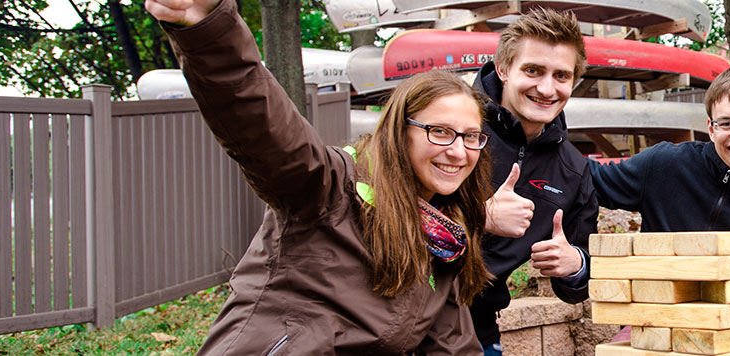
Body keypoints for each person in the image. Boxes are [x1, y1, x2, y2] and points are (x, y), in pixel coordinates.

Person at [145, 0, 496, 353]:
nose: (458, 150)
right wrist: (208, 27)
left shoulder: (445, 240)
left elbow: (453, 347)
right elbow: (261, 124)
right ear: (398, 132)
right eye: (439, 131)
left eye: (470, 136)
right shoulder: (330, 188)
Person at [589, 67, 730, 326]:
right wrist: (542, 133)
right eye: (726, 123)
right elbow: (588, 180)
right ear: (711, 128)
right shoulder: (664, 166)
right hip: (652, 333)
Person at [469, 8, 599, 355]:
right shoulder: (453, 123)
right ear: (503, 69)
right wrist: (477, 217)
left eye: (561, 75)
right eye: (533, 70)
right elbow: (389, 208)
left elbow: (579, 283)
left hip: (480, 336)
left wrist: (575, 265)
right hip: (395, 320)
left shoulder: (573, 170)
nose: (546, 88)